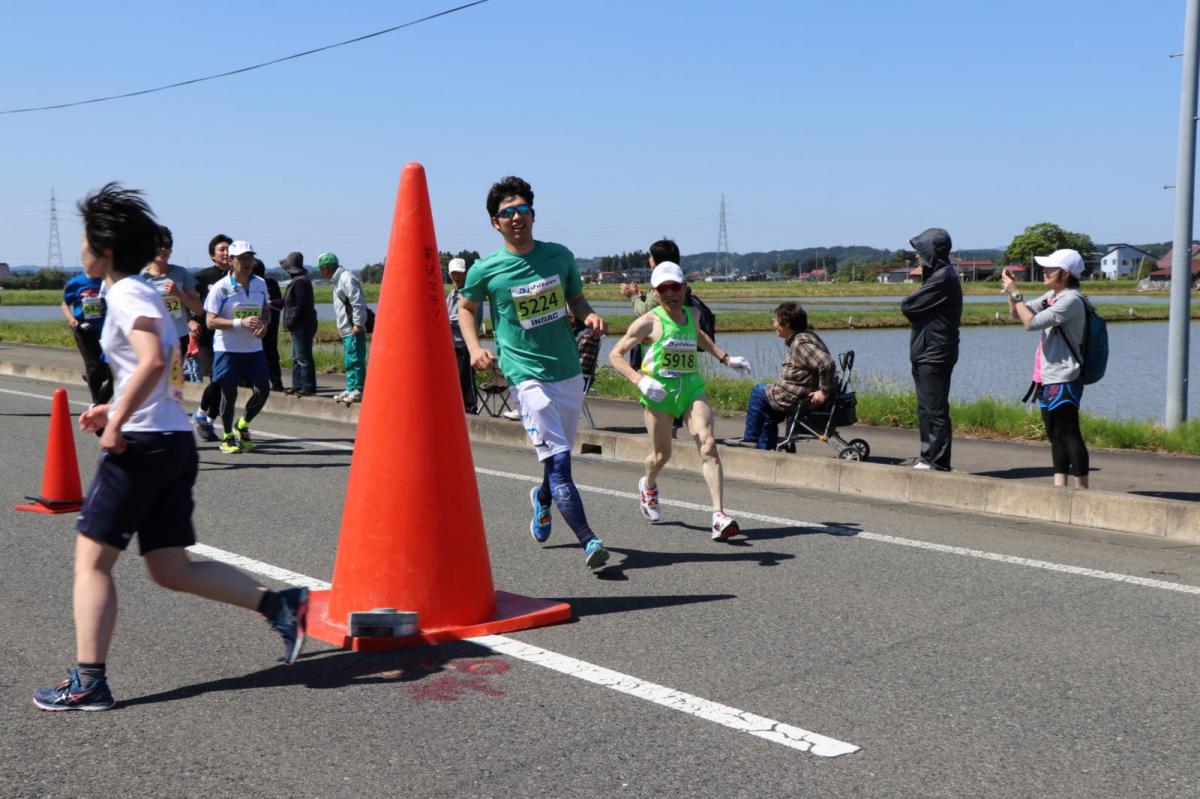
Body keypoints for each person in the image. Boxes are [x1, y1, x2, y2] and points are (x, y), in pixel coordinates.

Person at [32, 183, 306, 712]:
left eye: (86, 240)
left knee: (90, 562)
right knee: (170, 566)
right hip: (172, 437)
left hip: (144, 444)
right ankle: (280, 606)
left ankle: (89, 682)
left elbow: (154, 362)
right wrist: (110, 409)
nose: (81, 251)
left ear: (104, 248)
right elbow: (161, 360)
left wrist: (119, 422)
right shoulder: (139, 292)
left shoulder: (125, 292)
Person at [457, 176, 612, 570]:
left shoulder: (559, 256)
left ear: (533, 214)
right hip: (523, 374)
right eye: (506, 213)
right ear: (495, 223)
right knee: (561, 462)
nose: (515, 218)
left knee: (556, 452)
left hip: (566, 369)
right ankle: (589, 540)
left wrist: (588, 314)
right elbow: (466, 309)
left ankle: (543, 498)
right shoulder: (485, 269)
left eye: (521, 210)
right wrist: (475, 348)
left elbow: (575, 297)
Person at [607, 262, 753, 541]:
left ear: (685, 287)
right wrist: (640, 381)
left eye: (676, 286)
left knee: (708, 443)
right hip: (658, 394)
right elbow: (614, 355)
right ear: (654, 291)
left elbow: (699, 335)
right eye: (663, 288)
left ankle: (719, 517)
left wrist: (725, 358)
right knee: (662, 455)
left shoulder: (693, 313)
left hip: (690, 389)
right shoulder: (648, 321)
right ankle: (648, 485)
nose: (671, 293)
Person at [1001, 249, 1091, 489]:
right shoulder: (1052, 295)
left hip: (1065, 376)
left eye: (1050, 268)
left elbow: (1031, 324)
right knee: (1055, 435)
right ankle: (1059, 488)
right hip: (1046, 375)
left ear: (1065, 273)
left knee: (1069, 433)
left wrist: (1016, 294)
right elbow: (1017, 314)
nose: (1044, 271)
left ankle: (1083, 491)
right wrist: (1012, 292)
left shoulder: (1071, 300)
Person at [900, 227, 962, 471]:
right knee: (927, 407)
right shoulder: (937, 275)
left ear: (931, 251)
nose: (917, 256)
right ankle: (930, 458)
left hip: (934, 352)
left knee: (933, 408)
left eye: (920, 250)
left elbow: (908, 306)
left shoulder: (943, 278)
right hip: (928, 350)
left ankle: (936, 461)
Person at [203, 240, 272, 454]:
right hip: (227, 349)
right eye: (241, 258)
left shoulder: (260, 283)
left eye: (250, 257)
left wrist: (265, 325)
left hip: (254, 348)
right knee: (229, 395)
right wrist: (239, 323)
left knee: (263, 390)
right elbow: (210, 321)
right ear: (231, 261)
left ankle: (242, 424)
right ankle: (227, 437)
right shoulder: (220, 288)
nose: (247, 262)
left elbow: (266, 311)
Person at [741, 302, 835, 450]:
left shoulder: (800, 343)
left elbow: (826, 363)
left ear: (787, 324)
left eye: (775, 319)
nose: (773, 323)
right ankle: (764, 448)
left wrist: (824, 391)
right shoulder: (805, 335)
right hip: (797, 393)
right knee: (767, 410)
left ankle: (750, 439)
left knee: (758, 393)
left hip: (796, 397)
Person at [139, 225, 204, 369]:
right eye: (158, 245)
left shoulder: (180, 273)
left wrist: (178, 294)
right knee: (153, 380)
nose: (163, 249)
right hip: (150, 338)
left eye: (167, 245)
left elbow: (199, 309)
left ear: (171, 250)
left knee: (172, 382)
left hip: (177, 337)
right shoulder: (141, 277)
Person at [190, 234, 233, 441]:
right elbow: (185, 302)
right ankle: (201, 414)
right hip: (207, 335)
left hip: (231, 336)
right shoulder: (201, 277)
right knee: (218, 377)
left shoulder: (239, 277)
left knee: (227, 381)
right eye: (221, 249)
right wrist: (190, 321)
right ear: (212, 255)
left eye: (229, 249)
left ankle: (209, 419)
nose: (226, 253)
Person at [317, 252, 368, 404]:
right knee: (349, 360)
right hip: (346, 329)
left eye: (321, 268)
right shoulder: (338, 280)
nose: (320, 272)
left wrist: (358, 323)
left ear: (327, 268)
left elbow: (357, 301)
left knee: (356, 359)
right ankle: (351, 387)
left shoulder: (346, 278)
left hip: (353, 328)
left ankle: (358, 389)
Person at [60, 269, 113, 406]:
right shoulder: (76, 282)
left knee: (109, 369)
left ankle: (90, 377)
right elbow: (65, 303)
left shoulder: (109, 279)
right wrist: (71, 318)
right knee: (94, 368)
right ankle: (96, 402)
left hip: (106, 330)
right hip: (84, 329)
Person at [280, 251, 318, 396]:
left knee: (303, 357)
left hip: (302, 325)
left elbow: (300, 304)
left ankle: (308, 387)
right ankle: (297, 385)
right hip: (302, 324)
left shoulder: (300, 282)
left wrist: (291, 320)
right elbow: (289, 302)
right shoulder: (300, 280)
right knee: (297, 357)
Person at [446, 257, 480, 413]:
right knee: (455, 380)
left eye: (460, 272)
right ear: (449, 274)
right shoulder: (451, 294)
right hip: (452, 344)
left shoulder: (470, 293)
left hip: (466, 344)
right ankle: (457, 410)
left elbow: (468, 317)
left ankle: (470, 409)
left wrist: (446, 320)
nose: (457, 276)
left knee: (467, 380)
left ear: (466, 273)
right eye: (454, 273)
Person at [253, 259, 286, 392]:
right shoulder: (271, 282)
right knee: (271, 353)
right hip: (270, 323)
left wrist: (268, 302)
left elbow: (279, 302)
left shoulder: (256, 284)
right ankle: (276, 383)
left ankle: (271, 383)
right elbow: (280, 302)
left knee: (263, 353)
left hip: (263, 324)